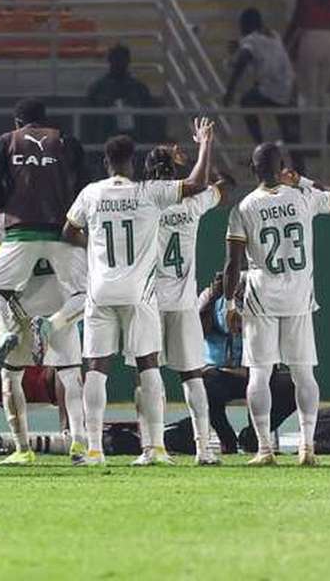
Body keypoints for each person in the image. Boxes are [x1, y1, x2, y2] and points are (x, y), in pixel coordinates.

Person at [62, 121, 214, 466]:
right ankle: (158, 448)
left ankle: (95, 450)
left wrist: (95, 246)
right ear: (132, 162)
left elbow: (68, 232)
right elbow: (199, 184)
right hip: (140, 292)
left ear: (106, 162)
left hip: (101, 290)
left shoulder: (91, 193)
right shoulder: (148, 192)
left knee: (96, 368)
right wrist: (204, 144)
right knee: (149, 365)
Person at [223, 143, 330, 466]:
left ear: (252, 170)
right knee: (304, 374)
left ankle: (264, 449)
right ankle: (307, 447)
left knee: (259, 374)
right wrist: (304, 181)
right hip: (297, 297)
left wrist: (229, 302)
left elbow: (231, 262)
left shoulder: (243, 207)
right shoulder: (302, 197)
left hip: (261, 296)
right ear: (282, 168)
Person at [0, 98, 88, 389]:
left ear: (17, 123)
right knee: (87, 294)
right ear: (45, 121)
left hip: (19, 231)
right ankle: (52, 324)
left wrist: (5, 200)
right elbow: (84, 182)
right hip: (60, 230)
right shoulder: (66, 141)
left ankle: (2, 336)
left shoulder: (7, 140)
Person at [127, 143, 232, 466]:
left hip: (149, 300)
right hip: (184, 301)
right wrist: (203, 152)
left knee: (146, 374)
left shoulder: (141, 201)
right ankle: (203, 449)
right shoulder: (195, 202)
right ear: (175, 174)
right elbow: (225, 185)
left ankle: (152, 448)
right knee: (192, 375)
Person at [0, 212, 87, 466]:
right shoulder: (68, 216)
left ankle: (22, 448)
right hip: (61, 306)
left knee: (11, 376)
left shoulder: (0, 223)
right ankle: (79, 442)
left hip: (22, 306)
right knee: (71, 375)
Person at [198, 272, 298, 455]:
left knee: (294, 386)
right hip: (221, 372)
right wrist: (212, 299)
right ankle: (226, 437)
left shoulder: (263, 298)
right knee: (202, 385)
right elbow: (197, 333)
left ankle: (252, 437)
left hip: (257, 371)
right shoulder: (211, 296)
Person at [224, 8, 302, 171]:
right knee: (289, 133)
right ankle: (300, 168)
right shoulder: (273, 35)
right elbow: (262, 51)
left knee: (246, 102)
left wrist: (229, 92)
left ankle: (261, 147)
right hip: (288, 86)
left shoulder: (250, 41)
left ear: (245, 25)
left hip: (271, 89)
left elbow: (242, 61)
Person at [285, 0, 330, 138]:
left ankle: (311, 138)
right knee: (322, 93)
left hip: (311, 39)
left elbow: (296, 20)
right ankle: (324, 135)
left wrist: (285, 43)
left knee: (309, 94)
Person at [86, 44, 155, 142]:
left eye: (122, 59)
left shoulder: (139, 88)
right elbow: (89, 119)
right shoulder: (98, 88)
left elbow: (148, 119)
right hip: (104, 137)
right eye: (116, 59)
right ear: (109, 60)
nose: (119, 63)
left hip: (134, 138)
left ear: (128, 61)